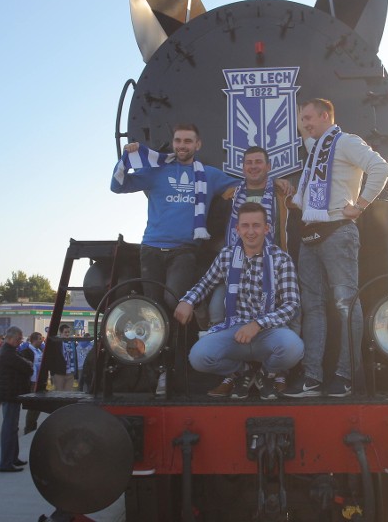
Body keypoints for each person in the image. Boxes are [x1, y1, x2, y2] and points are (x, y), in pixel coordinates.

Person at [283, 98, 388, 398]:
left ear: (327, 115)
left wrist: (361, 205)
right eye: (301, 119)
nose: (304, 124)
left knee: (345, 305)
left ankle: (345, 376)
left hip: (338, 232)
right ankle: (312, 378)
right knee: (313, 309)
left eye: (308, 118)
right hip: (310, 236)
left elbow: (380, 168)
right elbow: (306, 136)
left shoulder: (346, 142)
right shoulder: (316, 148)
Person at [175, 202, 303, 400]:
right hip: (235, 330)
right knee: (198, 357)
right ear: (237, 229)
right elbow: (206, 283)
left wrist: (258, 324)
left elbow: (291, 305)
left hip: (268, 332)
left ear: (266, 228)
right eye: (245, 225)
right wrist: (187, 301)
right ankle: (243, 372)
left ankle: (265, 374)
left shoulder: (281, 259)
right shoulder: (226, 255)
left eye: (256, 225)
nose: (250, 231)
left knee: (294, 348)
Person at [111, 124, 239, 310]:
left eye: (188, 141)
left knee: (173, 301)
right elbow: (118, 186)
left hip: (183, 250)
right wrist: (125, 158)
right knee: (153, 306)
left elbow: (245, 186)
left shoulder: (209, 175)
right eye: (178, 140)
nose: (182, 145)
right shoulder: (156, 171)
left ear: (198, 144)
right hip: (151, 249)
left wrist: (274, 182)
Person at [207, 146, 294, 397]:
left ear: (268, 166)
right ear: (242, 168)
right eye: (249, 163)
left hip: (269, 266)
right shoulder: (231, 193)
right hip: (236, 266)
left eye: (258, 162)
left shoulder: (280, 190)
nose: (253, 167)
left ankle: (276, 371)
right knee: (215, 307)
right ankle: (234, 372)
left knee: (284, 311)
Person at [0, 325, 33, 473]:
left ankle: (12, 458)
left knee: (13, 427)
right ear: (10, 338)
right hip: (9, 394)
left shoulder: (9, 351)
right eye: (18, 339)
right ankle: (6, 462)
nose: (20, 341)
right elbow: (28, 367)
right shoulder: (8, 353)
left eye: (21, 339)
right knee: (9, 428)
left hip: (11, 393)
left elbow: (26, 365)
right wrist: (28, 365)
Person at [20, 331, 45, 434]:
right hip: (32, 381)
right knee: (33, 406)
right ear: (34, 340)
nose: (41, 341)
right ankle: (29, 427)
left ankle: (33, 425)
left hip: (39, 381)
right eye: (40, 339)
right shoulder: (27, 351)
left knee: (38, 406)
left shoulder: (39, 350)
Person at [43, 323, 76, 392]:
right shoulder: (56, 343)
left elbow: (75, 357)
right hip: (59, 372)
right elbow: (51, 357)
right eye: (65, 332)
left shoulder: (72, 343)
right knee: (59, 392)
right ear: (61, 332)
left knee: (68, 394)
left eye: (68, 332)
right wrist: (52, 372)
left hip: (70, 372)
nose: (67, 334)